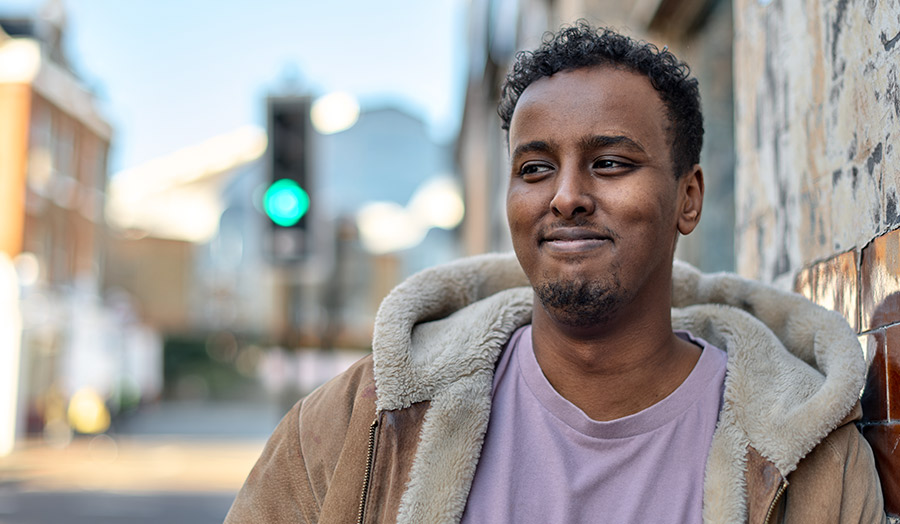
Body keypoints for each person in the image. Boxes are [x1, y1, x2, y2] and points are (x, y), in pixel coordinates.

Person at [225, 22, 885, 524]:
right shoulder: (360, 424)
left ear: (689, 198)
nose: (564, 195)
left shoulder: (811, 459)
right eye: (535, 168)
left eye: (610, 163)